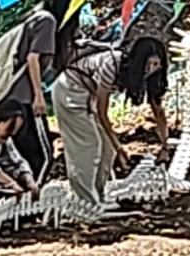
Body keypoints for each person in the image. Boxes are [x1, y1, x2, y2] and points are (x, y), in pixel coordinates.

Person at [52, 36, 170, 204]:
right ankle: (85, 201)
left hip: (89, 96)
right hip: (71, 91)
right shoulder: (111, 65)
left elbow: (158, 111)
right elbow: (102, 112)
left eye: (156, 65)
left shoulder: (151, 75)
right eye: (149, 64)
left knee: (107, 149)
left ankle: (99, 195)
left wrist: (165, 145)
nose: (151, 69)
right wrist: (119, 146)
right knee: (88, 146)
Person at [0, 0, 85, 181]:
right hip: (23, 99)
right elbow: (32, 58)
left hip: (13, 97)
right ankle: (29, 195)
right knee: (41, 156)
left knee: (22, 156)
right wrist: (38, 96)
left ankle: (21, 195)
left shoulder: (36, 17)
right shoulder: (47, 21)